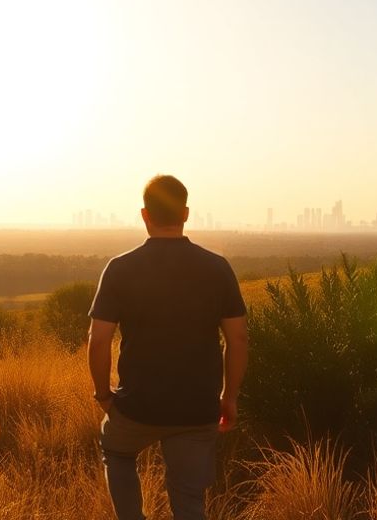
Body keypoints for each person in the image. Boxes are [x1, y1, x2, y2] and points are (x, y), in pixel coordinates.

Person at [88, 174, 249, 520]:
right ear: (186, 213)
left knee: (117, 451)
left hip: (136, 407)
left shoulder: (120, 268)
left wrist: (103, 395)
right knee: (189, 500)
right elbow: (237, 339)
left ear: (145, 215)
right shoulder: (217, 268)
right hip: (198, 409)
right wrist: (229, 397)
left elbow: (98, 339)